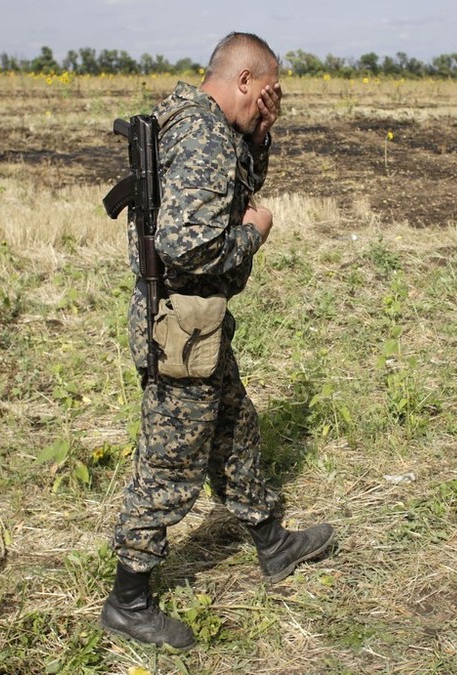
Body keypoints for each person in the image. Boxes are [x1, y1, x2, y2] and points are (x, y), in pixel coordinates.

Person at [101, 32, 334, 650]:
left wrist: (259, 136)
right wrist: (254, 233)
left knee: (233, 426)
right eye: (266, 95)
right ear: (243, 80)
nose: (270, 104)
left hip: (191, 320)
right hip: (180, 324)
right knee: (170, 463)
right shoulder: (204, 136)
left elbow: (232, 178)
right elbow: (186, 242)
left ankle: (273, 542)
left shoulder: (200, 119)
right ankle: (128, 600)